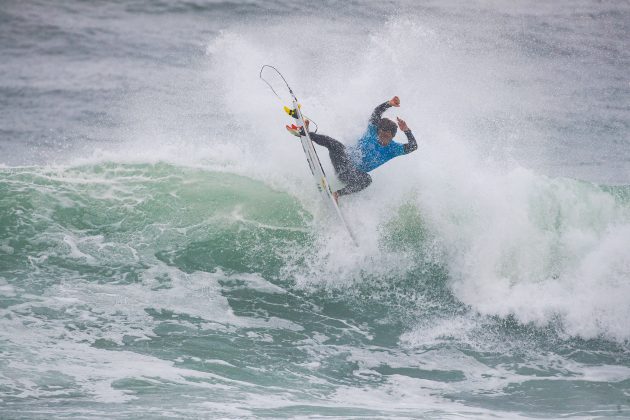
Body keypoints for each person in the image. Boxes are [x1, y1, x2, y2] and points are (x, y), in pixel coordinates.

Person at [288, 96, 418, 201]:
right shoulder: (372, 130)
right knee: (337, 145)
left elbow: (413, 146)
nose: (384, 139)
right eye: (382, 134)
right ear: (378, 131)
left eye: (387, 137)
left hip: (351, 175)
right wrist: (389, 103)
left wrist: (406, 130)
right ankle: (306, 133)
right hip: (342, 161)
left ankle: (337, 194)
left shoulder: (393, 148)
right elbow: (377, 112)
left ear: (392, 137)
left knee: (367, 180)